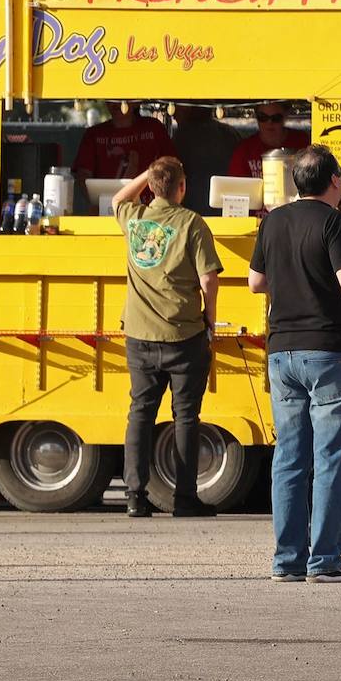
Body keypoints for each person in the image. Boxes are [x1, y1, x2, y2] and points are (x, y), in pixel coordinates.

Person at [250, 145, 341, 583]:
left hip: (282, 351)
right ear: (333, 181)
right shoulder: (335, 223)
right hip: (331, 350)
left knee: (289, 458)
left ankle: (287, 560)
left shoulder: (272, 221)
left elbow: (256, 282)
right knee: (331, 457)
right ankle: (325, 560)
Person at [112, 157, 222, 519]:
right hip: (183, 334)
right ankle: (184, 499)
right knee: (186, 416)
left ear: (152, 187)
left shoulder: (137, 220)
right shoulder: (192, 223)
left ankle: (134, 496)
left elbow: (116, 200)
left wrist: (146, 174)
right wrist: (210, 318)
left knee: (140, 413)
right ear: (182, 187)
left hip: (139, 334)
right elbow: (209, 279)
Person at [72, 102, 176, 211]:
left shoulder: (154, 128)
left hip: (150, 212)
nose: (117, 103)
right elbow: (83, 176)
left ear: (136, 101)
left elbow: (172, 168)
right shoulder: (93, 134)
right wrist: (99, 204)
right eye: (112, 98)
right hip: (106, 212)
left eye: (124, 99)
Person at [171, 104, 241, 217]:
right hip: (227, 210)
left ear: (189, 107)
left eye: (177, 106)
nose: (173, 114)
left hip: (191, 212)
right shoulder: (231, 134)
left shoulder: (182, 137)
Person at [228, 102, 310, 180]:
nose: (269, 122)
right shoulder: (244, 150)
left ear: (285, 116)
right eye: (263, 117)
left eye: (276, 118)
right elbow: (237, 186)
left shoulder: (302, 142)